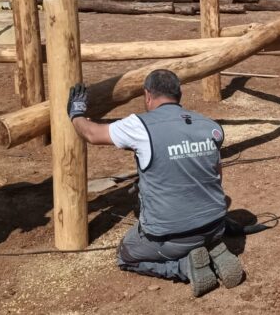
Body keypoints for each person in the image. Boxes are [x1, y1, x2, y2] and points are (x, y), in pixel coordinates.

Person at [66, 69, 244, 297]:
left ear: (147, 95)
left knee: (125, 255)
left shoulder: (140, 126)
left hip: (170, 237)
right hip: (216, 227)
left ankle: (184, 267)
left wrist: (76, 113)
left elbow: (91, 134)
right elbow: (217, 177)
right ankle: (210, 248)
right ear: (179, 94)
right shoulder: (210, 126)